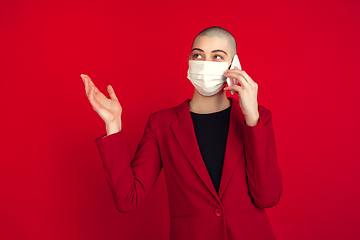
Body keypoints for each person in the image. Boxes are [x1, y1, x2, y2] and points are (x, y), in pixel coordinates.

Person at [81, 26, 283, 240]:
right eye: (198, 55)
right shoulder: (161, 124)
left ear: (234, 65)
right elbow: (127, 199)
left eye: (217, 56)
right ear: (189, 61)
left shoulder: (259, 117)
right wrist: (113, 125)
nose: (205, 63)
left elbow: (267, 197)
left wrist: (252, 119)